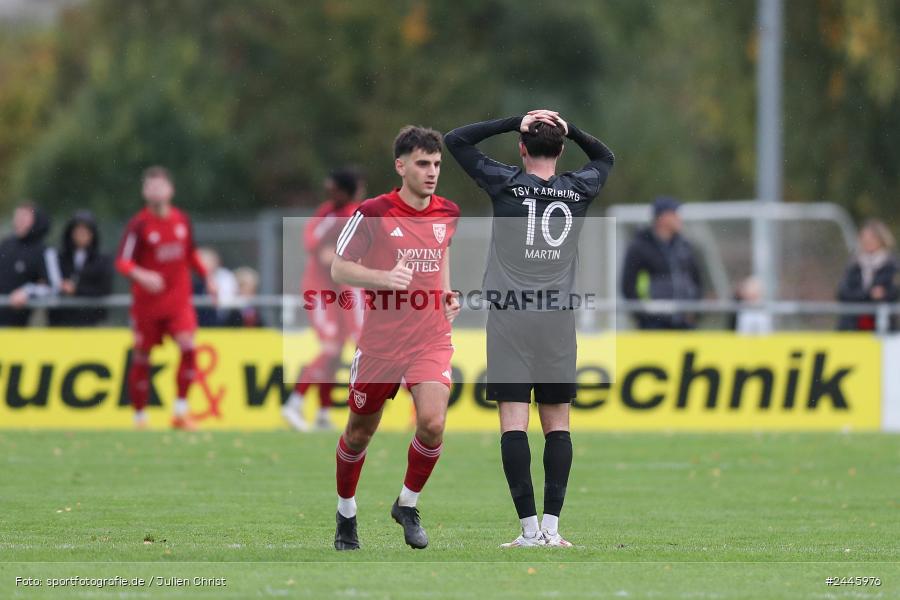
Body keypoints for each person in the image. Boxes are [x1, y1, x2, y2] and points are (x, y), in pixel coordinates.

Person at [445, 109, 614, 548]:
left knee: (513, 425)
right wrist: (570, 127)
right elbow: (605, 157)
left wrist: (513, 121)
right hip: (558, 318)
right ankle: (553, 530)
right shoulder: (578, 189)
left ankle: (526, 530)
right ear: (560, 150)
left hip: (508, 318)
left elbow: (456, 139)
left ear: (522, 148)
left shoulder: (505, 183)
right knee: (558, 425)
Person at [329, 126, 460, 551]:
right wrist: (382, 278)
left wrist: (447, 297)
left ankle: (407, 503)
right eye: (423, 163)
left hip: (430, 338)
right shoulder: (372, 212)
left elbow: (441, 263)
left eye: (437, 164)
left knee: (433, 423)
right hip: (381, 345)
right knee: (358, 434)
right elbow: (339, 268)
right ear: (400, 166)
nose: (432, 172)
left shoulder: (447, 212)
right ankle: (346, 511)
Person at [115, 166, 217, 429]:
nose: (156, 191)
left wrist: (208, 278)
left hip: (177, 301)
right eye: (150, 186)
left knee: (188, 346)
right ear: (144, 192)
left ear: (170, 190)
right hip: (146, 305)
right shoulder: (139, 224)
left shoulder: (181, 220)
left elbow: (190, 254)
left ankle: (180, 411)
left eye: (160, 186)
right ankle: (139, 417)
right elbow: (122, 262)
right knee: (141, 357)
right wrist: (142, 275)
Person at [282, 169, 363, 432]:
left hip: (337, 291)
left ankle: (323, 413)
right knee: (330, 348)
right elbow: (311, 240)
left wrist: (336, 252)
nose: (329, 193)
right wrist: (324, 251)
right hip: (319, 291)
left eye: (334, 188)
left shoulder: (352, 212)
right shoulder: (330, 213)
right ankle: (293, 403)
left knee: (336, 350)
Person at [621, 197, 703, 329]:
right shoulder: (639, 248)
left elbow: (697, 280)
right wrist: (645, 316)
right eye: (674, 214)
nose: (679, 218)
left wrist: (694, 312)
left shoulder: (685, 246)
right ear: (663, 217)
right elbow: (628, 286)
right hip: (653, 326)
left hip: (684, 325)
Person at [48, 210, 114, 327]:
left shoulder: (101, 260)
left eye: (85, 231)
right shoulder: (59, 258)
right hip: (61, 322)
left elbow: (104, 289)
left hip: (90, 321)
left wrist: (76, 290)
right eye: (78, 231)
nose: (81, 235)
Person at [0, 203, 61, 326]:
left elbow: (54, 287)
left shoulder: (45, 251)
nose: (18, 221)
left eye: (24, 218)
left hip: (22, 326)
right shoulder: (6, 245)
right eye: (17, 217)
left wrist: (27, 292)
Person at [837, 219, 899, 331]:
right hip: (852, 327)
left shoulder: (892, 266)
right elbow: (843, 293)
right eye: (864, 237)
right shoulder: (853, 265)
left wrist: (884, 294)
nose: (867, 241)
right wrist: (869, 294)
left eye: (872, 237)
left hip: (882, 328)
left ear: (881, 239)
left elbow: (893, 293)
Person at [194, 247, 237, 326]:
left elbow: (227, 303)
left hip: (223, 322)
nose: (203, 264)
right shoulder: (195, 280)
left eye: (207, 261)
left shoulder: (225, 276)